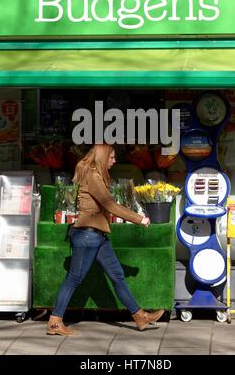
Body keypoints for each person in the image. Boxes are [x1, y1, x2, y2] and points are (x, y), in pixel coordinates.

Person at [47, 144, 164, 336]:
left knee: (117, 275)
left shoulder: (95, 175)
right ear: (102, 158)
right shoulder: (93, 176)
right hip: (88, 235)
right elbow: (110, 205)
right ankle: (55, 323)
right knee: (74, 278)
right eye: (112, 158)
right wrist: (139, 218)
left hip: (97, 236)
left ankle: (140, 316)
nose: (114, 161)